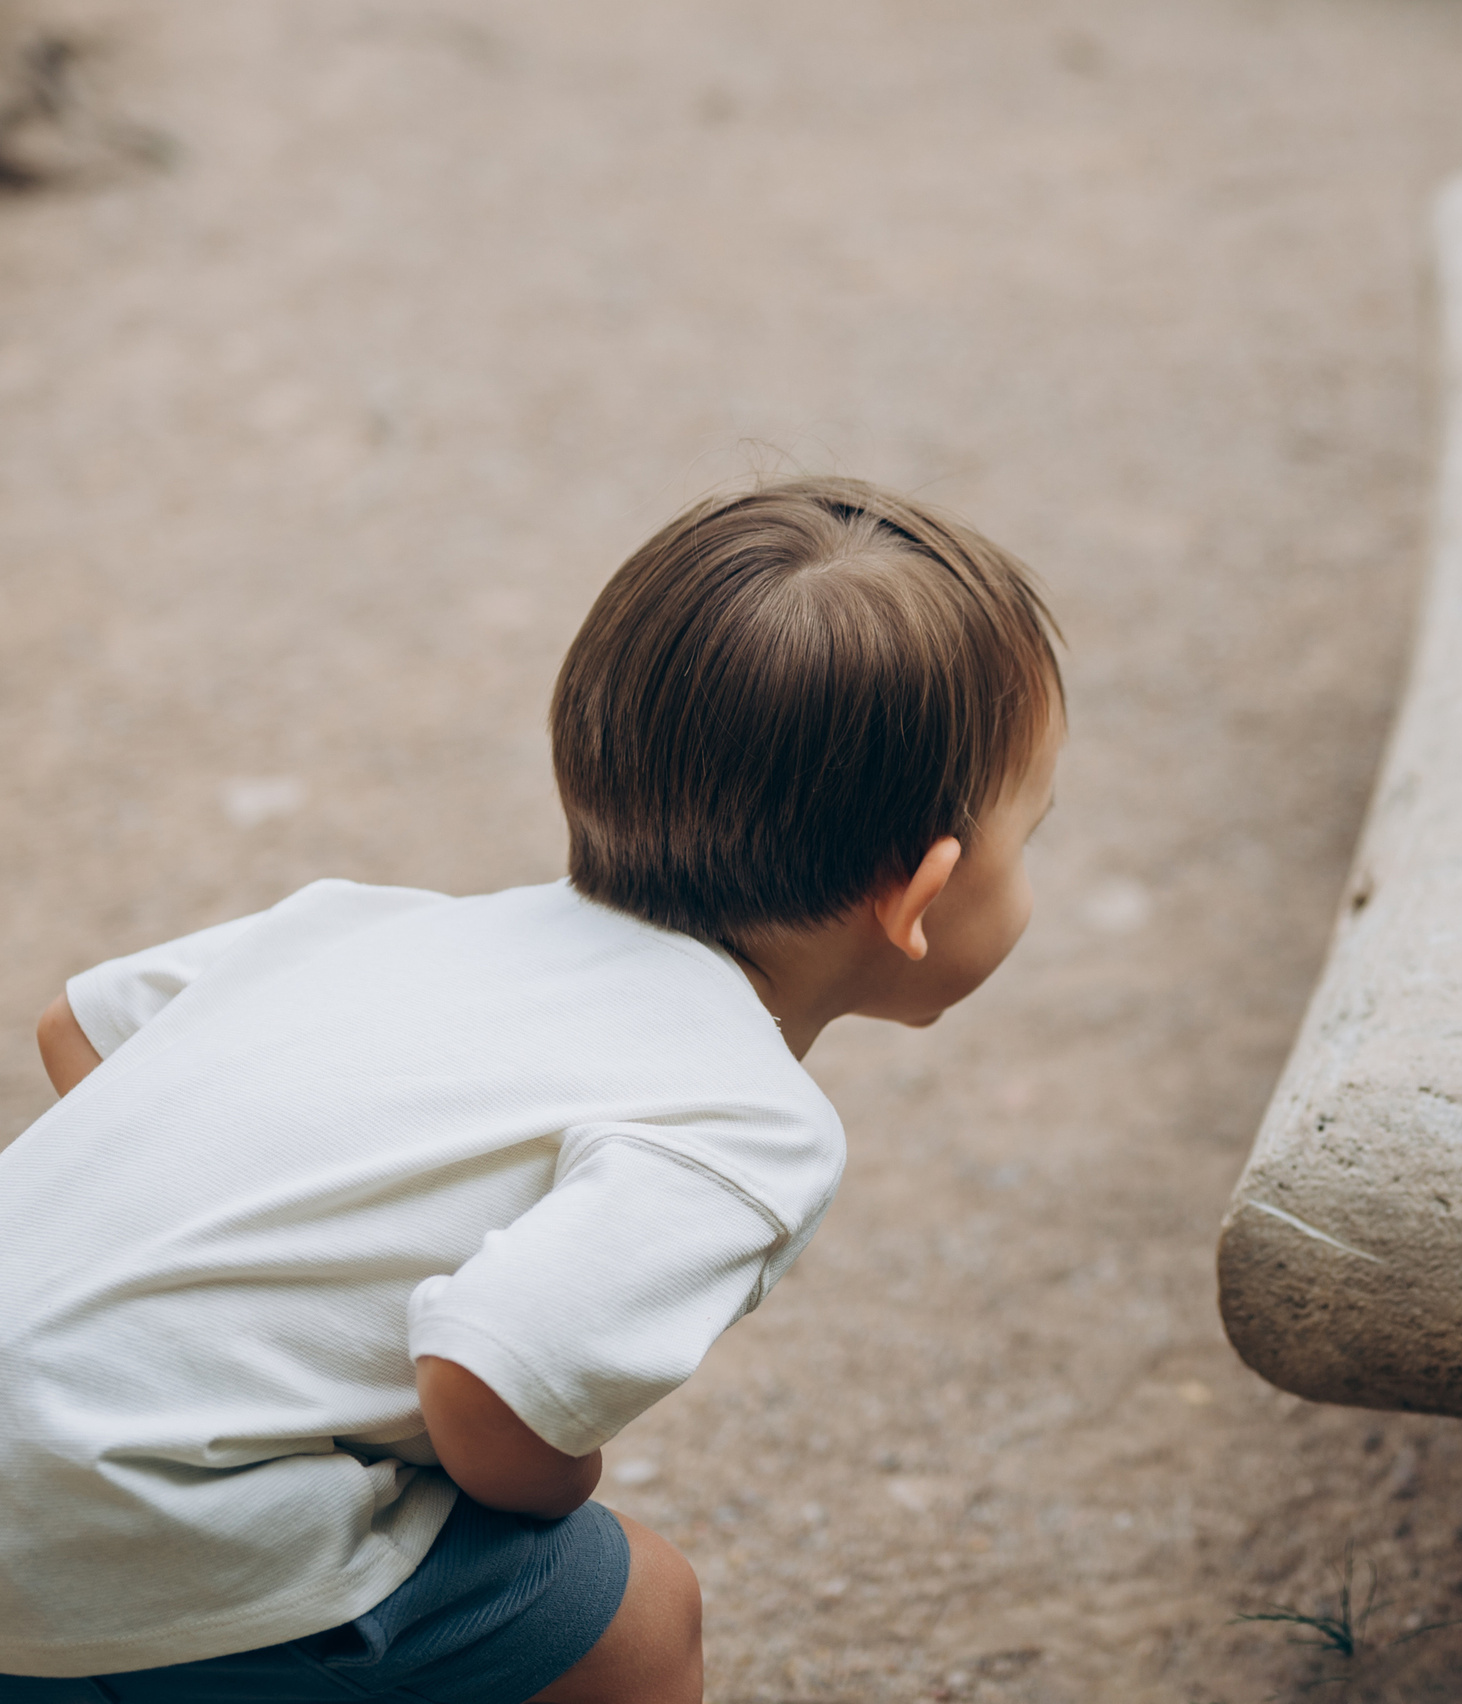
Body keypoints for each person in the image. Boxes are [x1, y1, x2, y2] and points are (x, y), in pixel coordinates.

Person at [0, 478, 1064, 1704]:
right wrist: (553, 1482)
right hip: (92, 1525)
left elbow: (80, 1027)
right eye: (1030, 832)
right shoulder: (745, 1123)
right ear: (920, 898)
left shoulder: (379, 925)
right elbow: (490, 1382)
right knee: (638, 1622)